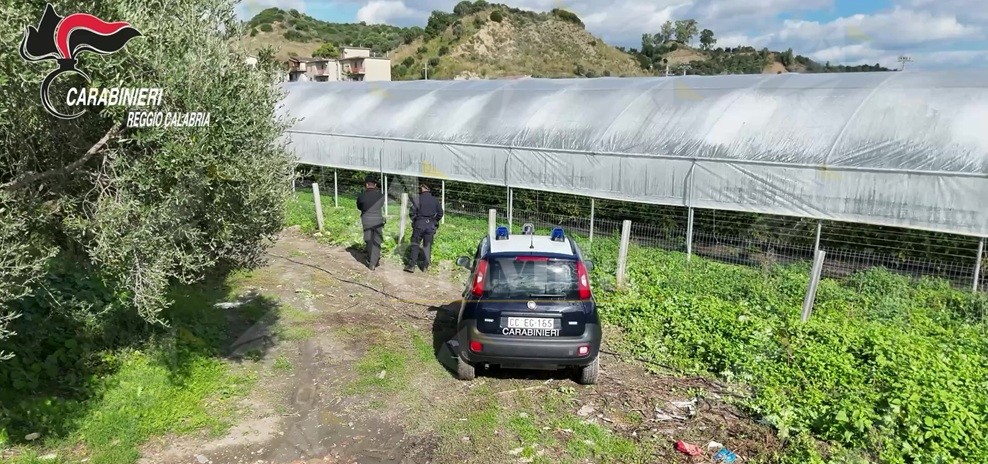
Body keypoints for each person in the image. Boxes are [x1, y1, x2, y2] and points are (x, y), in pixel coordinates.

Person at [405, 182, 443, 273]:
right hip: (430, 225)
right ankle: (425, 266)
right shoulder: (435, 200)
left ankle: (411, 266)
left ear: (423, 188)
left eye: (421, 187)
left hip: (419, 224)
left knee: (415, 244)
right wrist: (434, 221)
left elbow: (412, 212)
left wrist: (415, 220)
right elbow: (440, 213)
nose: (420, 188)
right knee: (427, 246)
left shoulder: (418, 199)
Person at [356, 174, 385, 270]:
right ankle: (374, 261)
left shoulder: (362, 196)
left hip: (366, 220)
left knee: (369, 240)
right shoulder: (380, 195)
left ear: (366, 185)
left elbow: (359, 206)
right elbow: (381, 204)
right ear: (375, 185)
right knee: (377, 240)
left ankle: (371, 260)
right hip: (378, 220)